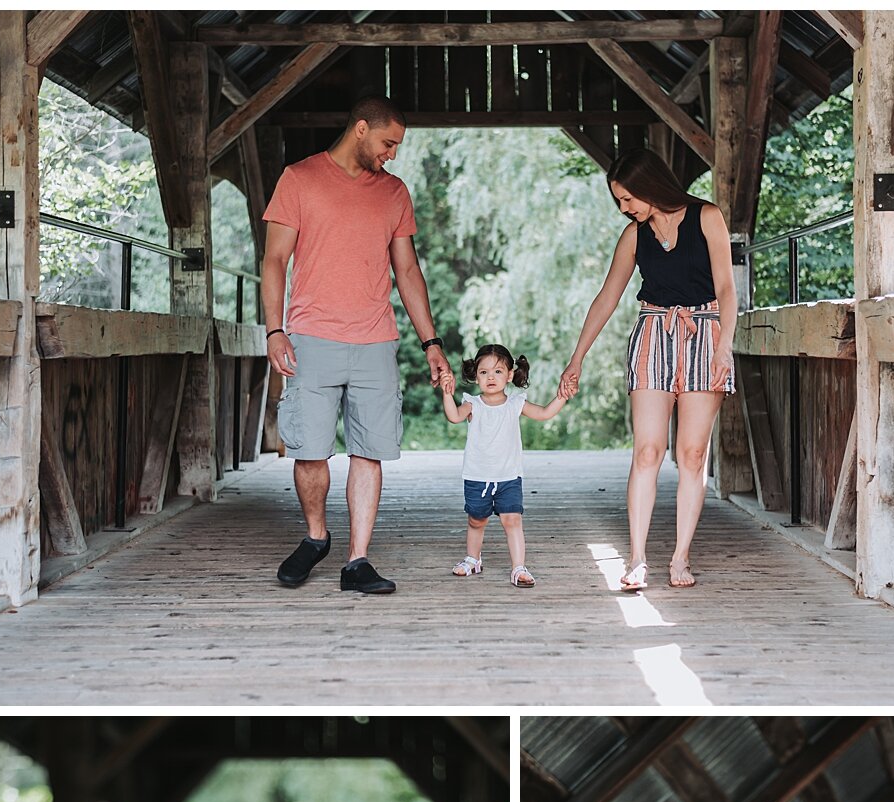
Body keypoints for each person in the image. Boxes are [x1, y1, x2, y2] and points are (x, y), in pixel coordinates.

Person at [262, 96, 452, 595]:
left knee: (370, 451)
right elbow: (275, 261)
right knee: (309, 451)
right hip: (310, 337)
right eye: (389, 143)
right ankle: (316, 536)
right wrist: (274, 329)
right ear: (362, 128)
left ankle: (357, 560)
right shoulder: (299, 179)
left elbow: (407, 270)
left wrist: (430, 341)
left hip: (375, 340)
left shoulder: (393, 193)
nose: (393, 154)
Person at [559, 147, 737, 592]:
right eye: (619, 201)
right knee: (647, 451)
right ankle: (637, 558)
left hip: (705, 333)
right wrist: (577, 356)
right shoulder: (633, 236)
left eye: (626, 199)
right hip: (653, 333)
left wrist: (725, 347)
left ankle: (680, 558)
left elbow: (727, 288)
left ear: (649, 187)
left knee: (692, 454)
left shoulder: (707, 216)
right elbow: (607, 297)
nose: (624, 208)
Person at [441, 345, 568, 586]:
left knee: (512, 520)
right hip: (477, 476)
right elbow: (454, 416)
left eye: (498, 371)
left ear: (510, 375)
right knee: (476, 520)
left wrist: (562, 396)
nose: (490, 377)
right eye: (483, 372)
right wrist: (447, 393)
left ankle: (519, 568)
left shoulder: (515, 404)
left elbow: (543, 413)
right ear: (475, 376)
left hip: (509, 477)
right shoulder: (473, 404)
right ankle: (472, 559)